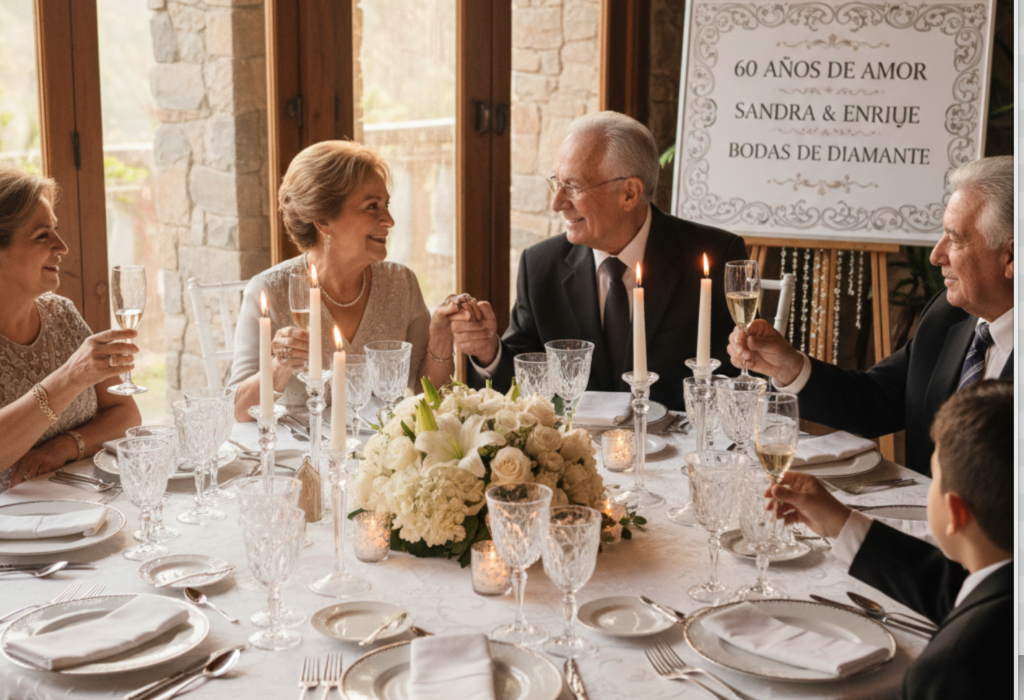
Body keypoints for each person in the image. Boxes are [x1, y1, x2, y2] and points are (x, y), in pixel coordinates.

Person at [728, 156, 1013, 474]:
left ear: (1011, 257)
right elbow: (876, 399)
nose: (936, 255)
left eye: (955, 239)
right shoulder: (949, 316)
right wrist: (789, 366)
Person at [452, 112, 746, 410]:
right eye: (557, 182)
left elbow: (746, 373)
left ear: (629, 193)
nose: (557, 203)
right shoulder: (541, 266)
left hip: (677, 451)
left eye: (574, 186)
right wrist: (490, 351)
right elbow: (521, 381)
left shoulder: (715, 256)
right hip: (578, 452)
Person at [768, 379, 1012, 699]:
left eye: (934, 480)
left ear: (956, 512)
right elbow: (956, 591)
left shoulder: (952, 669)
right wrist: (842, 524)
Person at [230, 140, 468, 420]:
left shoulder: (401, 283)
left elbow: (430, 396)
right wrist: (279, 366)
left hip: (375, 457)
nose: (389, 219)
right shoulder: (269, 290)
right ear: (323, 220)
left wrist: (440, 338)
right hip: (298, 460)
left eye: (386, 204)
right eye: (372, 206)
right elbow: (236, 412)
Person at [0, 167, 142, 491]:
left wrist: (64, 447)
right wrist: (69, 378)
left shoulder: (61, 315)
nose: (62, 246)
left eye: (57, 230)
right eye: (42, 236)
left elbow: (126, 413)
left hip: (86, 507)